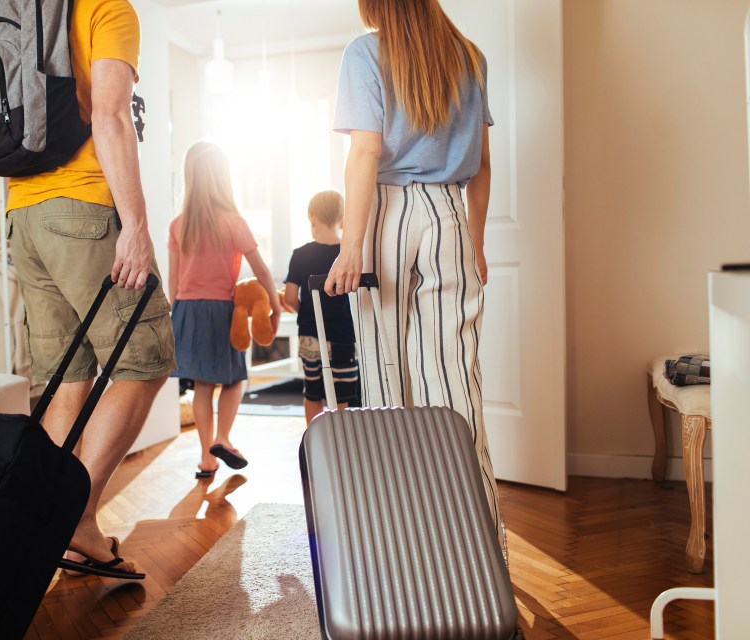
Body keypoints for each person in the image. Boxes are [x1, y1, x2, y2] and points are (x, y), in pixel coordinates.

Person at [323, 0, 506, 556]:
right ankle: (483, 554)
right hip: (450, 214)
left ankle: (405, 549)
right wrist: (474, 241)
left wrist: (351, 242)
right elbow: (484, 162)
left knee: (387, 382)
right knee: (455, 384)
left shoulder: (365, 52)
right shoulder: (469, 57)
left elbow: (365, 153)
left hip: (387, 217)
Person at [5, 0, 175, 578]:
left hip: (23, 214)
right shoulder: (109, 10)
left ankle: (44, 523)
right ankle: (75, 518)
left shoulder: (28, 11)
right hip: (83, 209)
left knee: (66, 376)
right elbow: (110, 116)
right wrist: (136, 225)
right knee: (147, 357)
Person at [168, 141, 281, 479]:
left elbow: (173, 285)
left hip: (187, 311)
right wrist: (274, 302)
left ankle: (206, 459)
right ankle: (223, 437)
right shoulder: (233, 222)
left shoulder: (178, 225)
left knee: (202, 386)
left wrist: (176, 322)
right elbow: (260, 270)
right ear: (222, 178)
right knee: (234, 380)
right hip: (221, 311)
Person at [284, 190, 359, 424]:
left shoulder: (300, 255)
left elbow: (288, 297)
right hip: (342, 336)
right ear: (343, 220)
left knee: (312, 391)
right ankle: (343, 439)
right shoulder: (347, 256)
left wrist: (306, 312)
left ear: (311, 217)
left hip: (310, 335)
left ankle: (315, 439)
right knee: (342, 396)